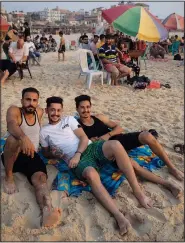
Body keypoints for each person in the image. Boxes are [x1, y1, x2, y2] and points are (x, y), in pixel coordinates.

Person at [40, 96, 155, 235]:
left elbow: (83, 138)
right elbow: (46, 153)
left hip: (89, 148)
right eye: (52, 110)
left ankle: (138, 192)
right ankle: (118, 215)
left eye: (58, 110)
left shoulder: (68, 120)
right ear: (46, 110)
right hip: (78, 162)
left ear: (62, 110)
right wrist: (54, 153)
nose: (55, 113)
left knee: (116, 145)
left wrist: (77, 153)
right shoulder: (44, 131)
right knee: (91, 174)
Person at [75, 95, 184, 182]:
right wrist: (91, 141)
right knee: (132, 165)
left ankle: (171, 167)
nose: (86, 110)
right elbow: (81, 145)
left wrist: (107, 135)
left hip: (120, 139)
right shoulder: (76, 126)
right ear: (77, 109)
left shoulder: (99, 117)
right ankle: (165, 184)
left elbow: (119, 128)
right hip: (108, 152)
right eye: (82, 107)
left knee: (147, 135)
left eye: (88, 107)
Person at [1, 88, 61, 227]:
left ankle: (47, 210)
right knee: (12, 139)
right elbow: (11, 124)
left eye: (34, 100)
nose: (31, 103)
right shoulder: (15, 110)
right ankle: (9, 177)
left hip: (32, 155)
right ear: (22, 100)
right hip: (14, 155)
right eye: (27, 99)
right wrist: (23, 137)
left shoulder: (39, 112)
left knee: (40, 180)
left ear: (37, 102)